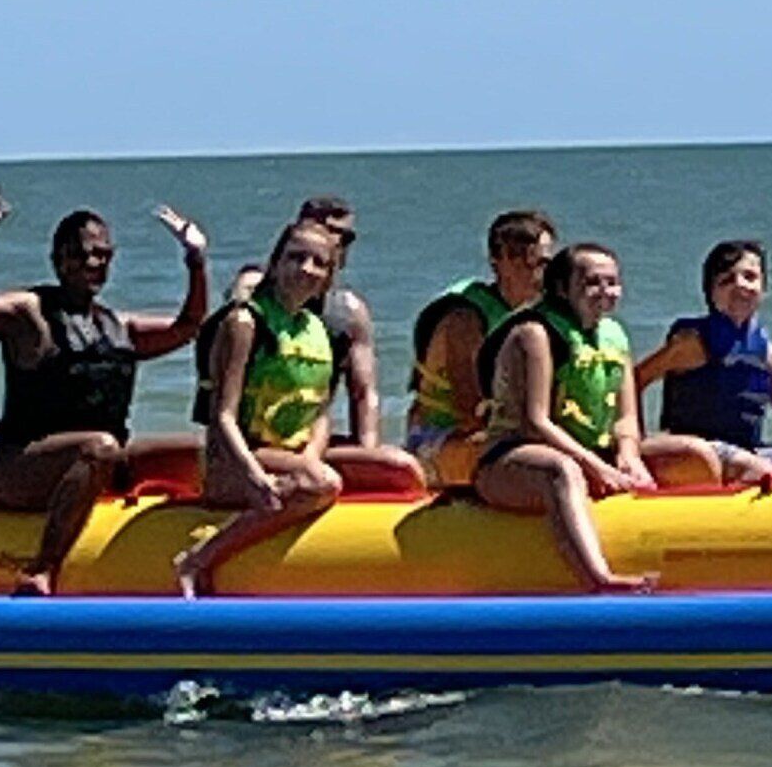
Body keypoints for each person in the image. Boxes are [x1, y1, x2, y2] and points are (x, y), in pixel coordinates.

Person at [0, 179, 209, 594]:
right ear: (57, 260)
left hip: (99, 463)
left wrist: (195, 260)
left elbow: (187, 327)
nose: (91, 262)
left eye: (101, 254)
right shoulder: (30, 313)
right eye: (79, 254)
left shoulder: (118, 326)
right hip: (19, 468)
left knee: (200, 451)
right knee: (99, 446)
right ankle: (43, 568)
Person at [472, 241, 676, 593]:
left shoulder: (615, 336)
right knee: (560, 471)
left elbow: (627, 418)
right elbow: (535, 422)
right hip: (512, 460)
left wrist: (629, 456)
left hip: (592, 451)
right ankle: (598, 578)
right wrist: (597, 468)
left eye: (612, 282)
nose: (605, 292)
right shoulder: (534, 334)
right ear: (562, 288)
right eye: (592, 282)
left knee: (690, 454)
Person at [192, 195, 422, 494]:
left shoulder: (346, 313)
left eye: (346, 236)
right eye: (324, 229)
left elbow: (363, 393)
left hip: (306, 442)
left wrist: (368, 456)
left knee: (395, 468)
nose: (336, 240)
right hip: (252, 445)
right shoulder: (253, 305)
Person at [174, 216, 346, 596]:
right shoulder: (245, 322)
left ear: (330, 275)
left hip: (286, 459)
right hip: (234, 464)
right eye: (295, 257)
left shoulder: (316, 330)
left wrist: (309, 457)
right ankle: (198, 557)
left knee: (393, 469)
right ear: (276, 262)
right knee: (324, 482)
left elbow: (319, 412)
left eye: (319, 263)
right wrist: (254, 476)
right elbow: (222, 415)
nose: (306, 269)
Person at [634, 239, 772, 480]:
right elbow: (634, 380)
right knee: (758, 467)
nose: (739, 285)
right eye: (726, 280)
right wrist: (634, 445)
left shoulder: (770, 356)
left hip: (745, 449)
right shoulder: (694, 344)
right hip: (696, 449)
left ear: (763, 288)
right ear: (710, 292)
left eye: (750, 277)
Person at [404, 209, 557, 484]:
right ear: (500, 261)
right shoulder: (465, 318)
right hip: (440, 438)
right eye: (532, 262)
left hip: (497, 431)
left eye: (547, 263)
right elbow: (470, 408)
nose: (542, 274)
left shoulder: (536, 317)